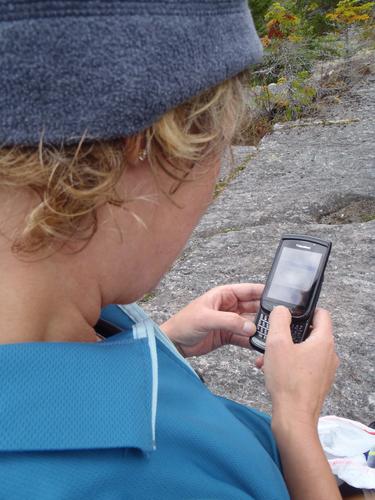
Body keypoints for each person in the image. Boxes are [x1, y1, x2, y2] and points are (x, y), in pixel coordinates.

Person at [0, 1, 340, 498]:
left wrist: (164, 344)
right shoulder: (144, 483)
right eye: (217, 153)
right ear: (149, 143)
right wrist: (296, 421)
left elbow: (50, 381)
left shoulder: (76, 307)